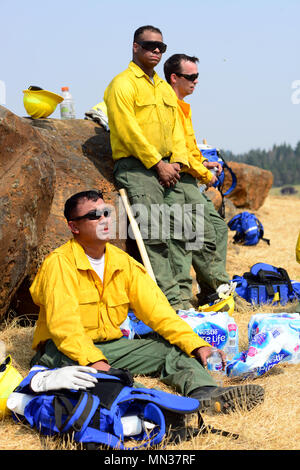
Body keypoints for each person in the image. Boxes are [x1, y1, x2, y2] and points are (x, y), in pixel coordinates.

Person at [29, 190, 264, 414]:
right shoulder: (59, 264)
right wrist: (95, 362)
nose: (103, 219)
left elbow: (160, 313)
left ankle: (207, 394)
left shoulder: (123, 263)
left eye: (106, 213)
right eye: (93, 215)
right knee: (111, 382)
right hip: (62, 350)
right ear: (74, 226)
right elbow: (65, 328)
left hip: (110, 346)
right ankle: (163, 409)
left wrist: (198, 345)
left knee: (172, 352)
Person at [104, 25, 194, 311]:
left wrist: (176, 163)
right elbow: (127, 130)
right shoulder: (122, 84)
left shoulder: (165, 89)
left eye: (161, 47)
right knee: (155, 234)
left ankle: (184, 297)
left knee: (183, 231)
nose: (156, 51)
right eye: (149, 45)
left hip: (170, 168)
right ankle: (169, 304)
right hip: (138, 168)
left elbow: (177, 129)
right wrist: (157, 164)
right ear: (135, 47)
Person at [164, 54, 232, 305]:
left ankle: (212, 290)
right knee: (197, 236)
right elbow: (177, 150)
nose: (196, 82)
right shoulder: (168, 104)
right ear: (174, 77)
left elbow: (188, 147)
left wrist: (204, 163)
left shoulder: (183, 105)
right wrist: (206, 174)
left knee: (218, 229)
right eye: (190, 77)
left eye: (197, 77)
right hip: (178, 181)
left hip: (191, 178)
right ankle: (215, 292)